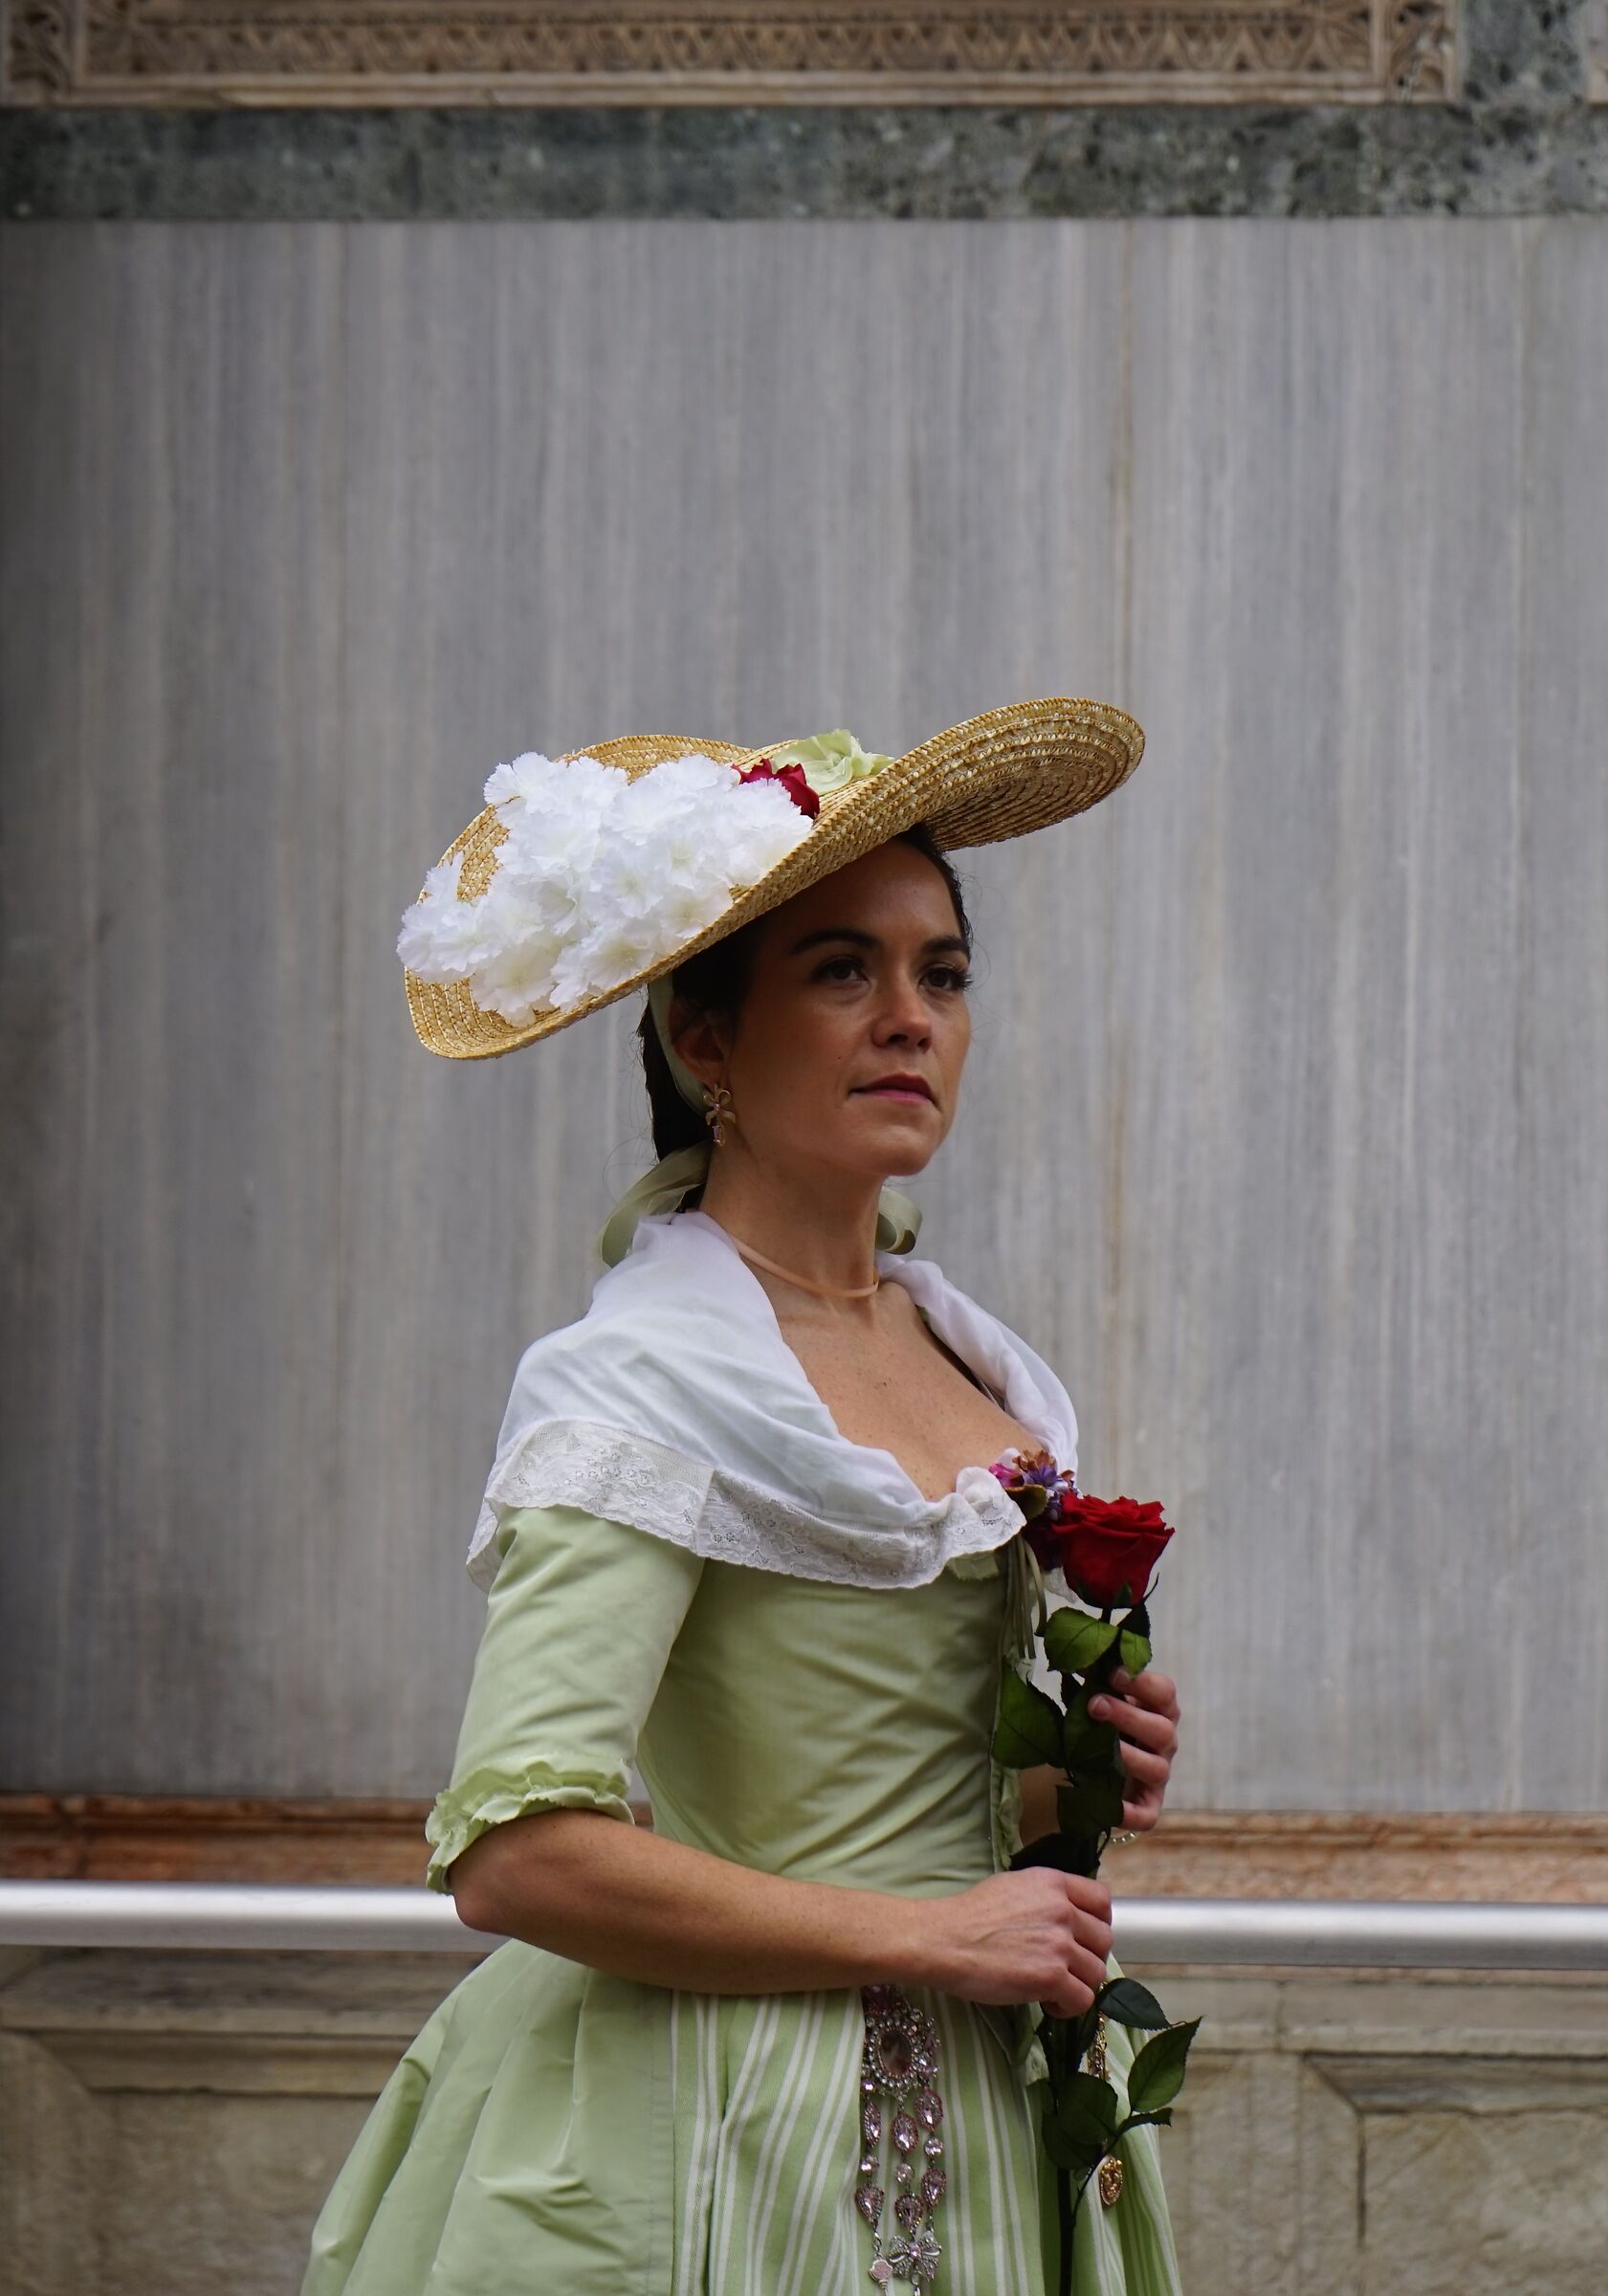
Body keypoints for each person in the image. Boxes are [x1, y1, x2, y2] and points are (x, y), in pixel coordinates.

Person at [305, 702, 1182, 2294]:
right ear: (703, 1040)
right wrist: (930, 1939)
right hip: (722, 2138)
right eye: (842, 970)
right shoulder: (645, 1379)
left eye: (943, 972)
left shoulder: (978, 1368)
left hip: (990, 2116)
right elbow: (520, 1855)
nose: (908, 1017)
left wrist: (1073, 1780)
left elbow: (905, 1810)